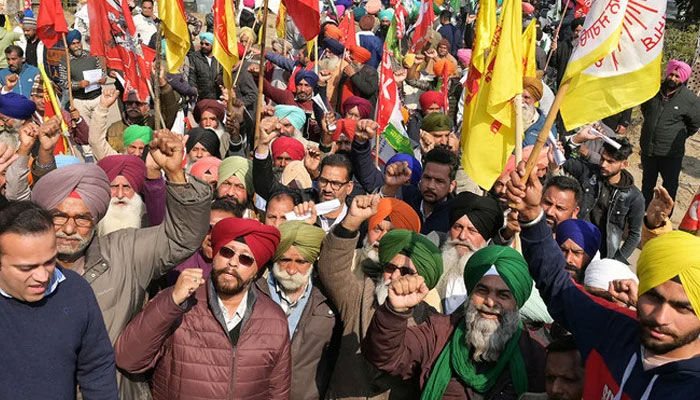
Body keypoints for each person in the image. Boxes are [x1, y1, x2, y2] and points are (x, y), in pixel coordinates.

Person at [29, 130, 212, 397]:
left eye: (82, 219)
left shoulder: (123, 253)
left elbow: (181, 238)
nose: (69, 228)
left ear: (95, 220)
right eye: (58, 217)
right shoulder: (19, 268)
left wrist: (175, 175)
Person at [507, 161, 700, 399]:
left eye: (682, 308)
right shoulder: (616, 329)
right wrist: (531, 216)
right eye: (652, 297)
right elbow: (559, 287)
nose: (660, 317)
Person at [114, 217, 292, 399]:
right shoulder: (179, 302)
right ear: (215, 255)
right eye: (227, 252)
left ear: (256, 271)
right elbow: (128, 359)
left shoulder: (274, 320)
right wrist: (171, 301)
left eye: (245, 258)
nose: (233, 262)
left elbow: (277, 391)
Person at [362, 245, 546, 399]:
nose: (490, 302)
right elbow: (385, 357)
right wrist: (395, 312)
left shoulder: (535, 355)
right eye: (482, 291)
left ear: (517, 303)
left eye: (503, 295)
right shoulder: (439, 332)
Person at [318, 194, 442, 399]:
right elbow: (331, 270)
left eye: (405, 272)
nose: (394, 276)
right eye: (390, 267)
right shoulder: (362, 295)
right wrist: (351, 222)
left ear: (424, 282)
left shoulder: (429, 323)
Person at [0, 201, 118, 399]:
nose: (42, 276)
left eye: (49, 262)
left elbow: (97, 367)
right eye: (27, 268)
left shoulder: (75, 291)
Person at [258, 220, 340, 400]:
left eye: (300, 261)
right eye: (285, 260)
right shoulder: (254, 292)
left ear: (312, 262)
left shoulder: (329, 299)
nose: (291, 269)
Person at [554, 138, 644, 263]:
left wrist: (616, 261)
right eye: (602, 158)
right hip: (575, 241)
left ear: (624, 164)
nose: (603, 164)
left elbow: (635, 235)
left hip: (603, 255)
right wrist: (576, 140)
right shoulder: (589, 173)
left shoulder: (634, 196)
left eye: (610, 161)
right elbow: (566, 161)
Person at [640, 60, 700, 207]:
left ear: (683, 78)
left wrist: (674, 136)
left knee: (670, 186)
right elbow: (646, 110)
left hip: (671, 154)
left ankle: (664, 217)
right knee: (647, 184)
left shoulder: (690, 99)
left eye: (677, 76)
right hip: (649, 150)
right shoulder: (654, 91)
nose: (673, 78)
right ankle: (644, 214)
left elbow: (694, 124)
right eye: (671, 74)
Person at [437, 191, 504, 314]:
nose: (462, 236)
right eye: (457, 227)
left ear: (486, 238)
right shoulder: (434, 263)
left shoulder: (495, 276)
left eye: (472, 231)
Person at [381, 147, 458, 234]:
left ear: (452, 186)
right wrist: (390, 188)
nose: (430, 186)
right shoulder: (405, 197)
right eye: (427, 178)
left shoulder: (457, 216)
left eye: (439, 181)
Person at [353, 197, 421, 282]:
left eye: (391, 233)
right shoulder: (348, 262)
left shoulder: (417, 281)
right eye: (377, 229)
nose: (381, 238)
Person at [59, 30, 106, 128]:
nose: (77, 46)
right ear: (68, 46)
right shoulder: (65, 61)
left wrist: (103, 78)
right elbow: (64, 83)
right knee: (85, 130)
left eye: (78, 42)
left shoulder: (91, 55)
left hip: (97, 98)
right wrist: (78, 85)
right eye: (73, 44)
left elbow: (101, 71)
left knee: (100, 127)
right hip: (80, 101)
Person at [549, 17, 584, 87]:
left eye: (581, 31)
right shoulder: (564, 45)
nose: (578, 34)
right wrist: (554, 51)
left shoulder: (588, 48)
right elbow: (553, 63)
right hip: (563, 84)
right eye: (576, 31)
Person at [188, 33, 223, 101]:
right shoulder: (195, 57)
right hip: (201, 97)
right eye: (202, 43)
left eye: (207, 44)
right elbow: (192, 75)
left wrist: (221, 76)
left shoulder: (220, 58)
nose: (203, 46)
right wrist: (193, 89)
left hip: (218, 97)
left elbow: (225, 72)